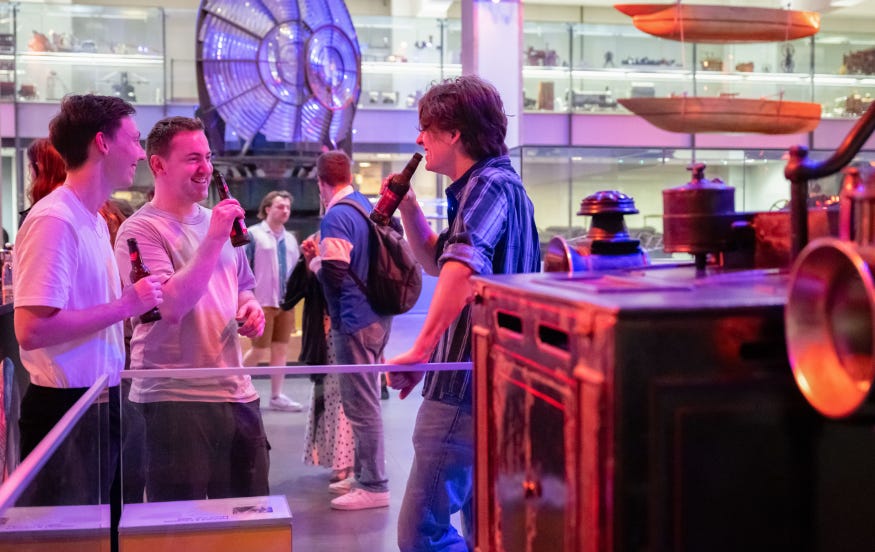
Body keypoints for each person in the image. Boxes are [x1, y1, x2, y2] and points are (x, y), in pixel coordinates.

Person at [388, 75, 541, 550]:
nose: (419, 140)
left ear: (453, 133)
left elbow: (460, 264)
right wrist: (409, 209)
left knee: (422, 534)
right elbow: (440, 261)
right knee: (485, 531)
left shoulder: (490, 185)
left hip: (462, 392)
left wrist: (419, 349)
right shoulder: (493, 186)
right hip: (489, 387)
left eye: (426, 128)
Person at [13, 94, 162, 506]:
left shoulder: (92, 218)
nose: (140, 152)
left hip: (99, 402)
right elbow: (31, 329)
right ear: (102, 142)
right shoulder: (55, 220)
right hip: (66, 410)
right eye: (134, 140)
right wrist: (125, 305)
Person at [114, 116, 269, 502]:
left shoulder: (219, 223)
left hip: (236, 391)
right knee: (181, 529)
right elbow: (170, 305)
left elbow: (243, 288)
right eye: (192, 158)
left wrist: (250, 309)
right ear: (158, 165)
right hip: (173, 397)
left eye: (208, 156)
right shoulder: (140, 230)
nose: (206, 169)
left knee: (248, 518)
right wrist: (214, 238)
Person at [301, 150, 392, 511]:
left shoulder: (337, 216)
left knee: (361, 406)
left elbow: (336, 275)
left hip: (353, 319)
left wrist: (314, 263)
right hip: (377, 317)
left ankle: (374, 483)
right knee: (365, 403)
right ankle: (367, 475)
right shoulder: (364, 205)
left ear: (320, 183)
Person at [284, 232, 355, 483]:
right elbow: (293, 293)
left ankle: (346, 461)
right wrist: (308, 261)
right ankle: (340, 460)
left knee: (345, 398)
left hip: (348, 332)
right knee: (331, 397)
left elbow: (341, 289)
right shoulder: (317, 242)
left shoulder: (351, 244)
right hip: (327, 334)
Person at [243, 190, 303, 412]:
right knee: (259, 350)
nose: (285, 210)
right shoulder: (253, 235)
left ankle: (277, 396)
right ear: (267, 209)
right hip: (262, 301)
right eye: (280, 206)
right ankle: (232, 384)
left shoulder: (290, 239)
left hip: (285, 303)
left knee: (280, 350)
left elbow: (296, 271)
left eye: (287, 207)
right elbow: (241, 268)